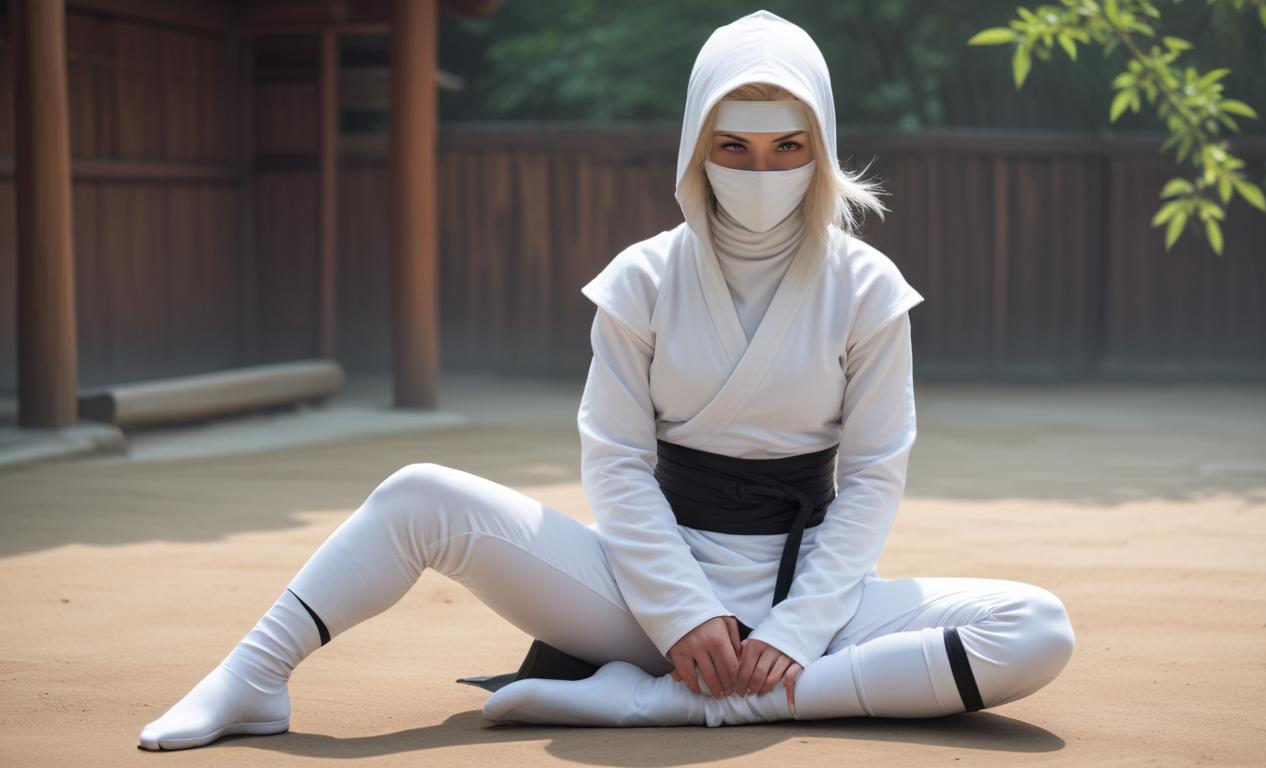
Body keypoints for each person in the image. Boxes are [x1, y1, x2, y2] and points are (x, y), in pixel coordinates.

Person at [137, 9, 1074, 749]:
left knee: (1037, 628)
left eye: (787, 147)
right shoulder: (642, 278)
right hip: (640, 591)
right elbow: (618, 463)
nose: (760, 169)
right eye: (734, 146)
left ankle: (687, 707)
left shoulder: (867, 289)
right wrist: (682, 614)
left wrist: (793, 630)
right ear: (697, 149)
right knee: (417, 495)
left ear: (820, 148)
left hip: (814, 595)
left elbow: (873, 477)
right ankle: (255, 677)